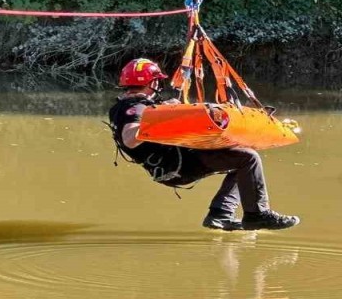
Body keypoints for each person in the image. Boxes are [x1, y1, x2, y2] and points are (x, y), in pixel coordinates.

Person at [107, 58, 299, 231]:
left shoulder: (131, 106)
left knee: (242, 155)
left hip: (176, 163)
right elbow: (129, 138)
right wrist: (164, 116)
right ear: (152, 82)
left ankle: (220, 215)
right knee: (248, 159)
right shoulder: (135, 108)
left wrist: (167, 110)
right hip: (179, 166)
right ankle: (257, 215)